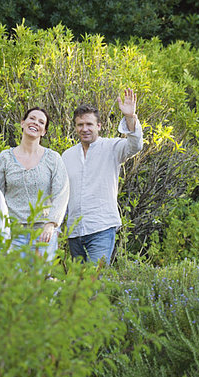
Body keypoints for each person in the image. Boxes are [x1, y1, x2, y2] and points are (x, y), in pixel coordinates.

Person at [62, 88, 143, 265]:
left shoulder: (112, 148)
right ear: (75, 127)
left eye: (89, 124)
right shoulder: (67, 156)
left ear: (98, 126)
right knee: (79, 285)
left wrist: (130, 117)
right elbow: (63, 194)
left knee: (94, 280)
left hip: (101, 228)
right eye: (80, 125)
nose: (85, 129)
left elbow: (135, 146)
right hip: (74, 232)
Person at [0, 107, 69, 262]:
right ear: (22, 123)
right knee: (12, 281)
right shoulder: (5, 158)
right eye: (32, 118)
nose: (35, 123)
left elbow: (62, 193)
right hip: (13, 232)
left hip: (43, 233)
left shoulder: (53, 159)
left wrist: (51, 224)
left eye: (41, 122)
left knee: (41, 282)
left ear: (44, 132)